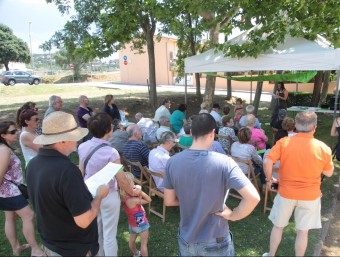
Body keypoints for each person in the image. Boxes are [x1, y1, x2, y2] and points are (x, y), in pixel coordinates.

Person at [164, 113, 260, 256]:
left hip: (186, 239)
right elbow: (253, 198)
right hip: (215, 241)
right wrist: (234, 215)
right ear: (213, 133)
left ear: (191, 133)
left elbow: (169, 200)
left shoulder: (172, 162)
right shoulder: (225, 162)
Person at [26, 111, 110, 256]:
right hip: (74, 248)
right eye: (74, 136)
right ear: (61, 141)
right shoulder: (67, 171)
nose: (78, 139)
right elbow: (84, 221)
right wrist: (99, 196)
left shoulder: (32, 164)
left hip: (50, 243)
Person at [262, 111, 334, 257]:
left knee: (278, 227)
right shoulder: (323, 148)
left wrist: (270, 180)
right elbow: (329, 173)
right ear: (315, 127)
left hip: (285, 193)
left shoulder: (284, 142)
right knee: (303, 232)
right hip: (310, 196)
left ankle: (271, 255)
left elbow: (267, 161)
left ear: (296, 126)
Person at [78, 112, 142, 257]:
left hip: (90, 194)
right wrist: (133, 191)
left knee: (98, 232)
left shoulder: (82, 147)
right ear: (108, 130)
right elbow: (121, 179)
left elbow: (81, 172)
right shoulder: (112, 152)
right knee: (109, 235)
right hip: (109, 196)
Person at [0, 121, 45, 257]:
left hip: (6, 192)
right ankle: (35, 250)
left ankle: (16, 248)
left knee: (10, 217)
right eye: (12, 132)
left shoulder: (3, 148)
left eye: (16, 130)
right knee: (29, 215)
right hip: (9, 192)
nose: (16, 133)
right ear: (2, 134)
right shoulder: (4, 150)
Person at [120, 172, 151, 257]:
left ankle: (136, 254)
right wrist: (140, 192)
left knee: (131, 241)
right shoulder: (133, 200)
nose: (134, 183)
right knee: (144, 244)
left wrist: (136, 191)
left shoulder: (122, 197)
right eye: (132, 182)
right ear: (128, 184)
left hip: (132, 223)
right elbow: (149, 200)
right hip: (141, 222)